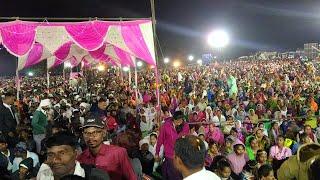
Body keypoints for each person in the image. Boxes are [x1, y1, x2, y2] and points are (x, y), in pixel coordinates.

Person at [77, 115, 136, 180]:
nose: (91, 137)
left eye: (95, 132)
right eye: (86, 133)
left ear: (104, 133)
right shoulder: (81, 158)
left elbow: (131, 177)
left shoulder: (119, 153)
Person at [37, 131, 109, 180]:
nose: (55, 159)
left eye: (62, 153)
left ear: (75, 154)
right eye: (50, 155)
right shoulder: (43, 174)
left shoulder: (96, 176)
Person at [155, 110, 190, 180]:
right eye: (178, 121)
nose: (180, 123)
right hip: (170, 154)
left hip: (181, 154)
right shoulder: (166, 126)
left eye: (182, 120)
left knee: (180, 173)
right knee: (173, 174)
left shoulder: (185, 125)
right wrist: (157, 152)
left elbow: (187, 138)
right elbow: (160, 140)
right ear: (174, 119)